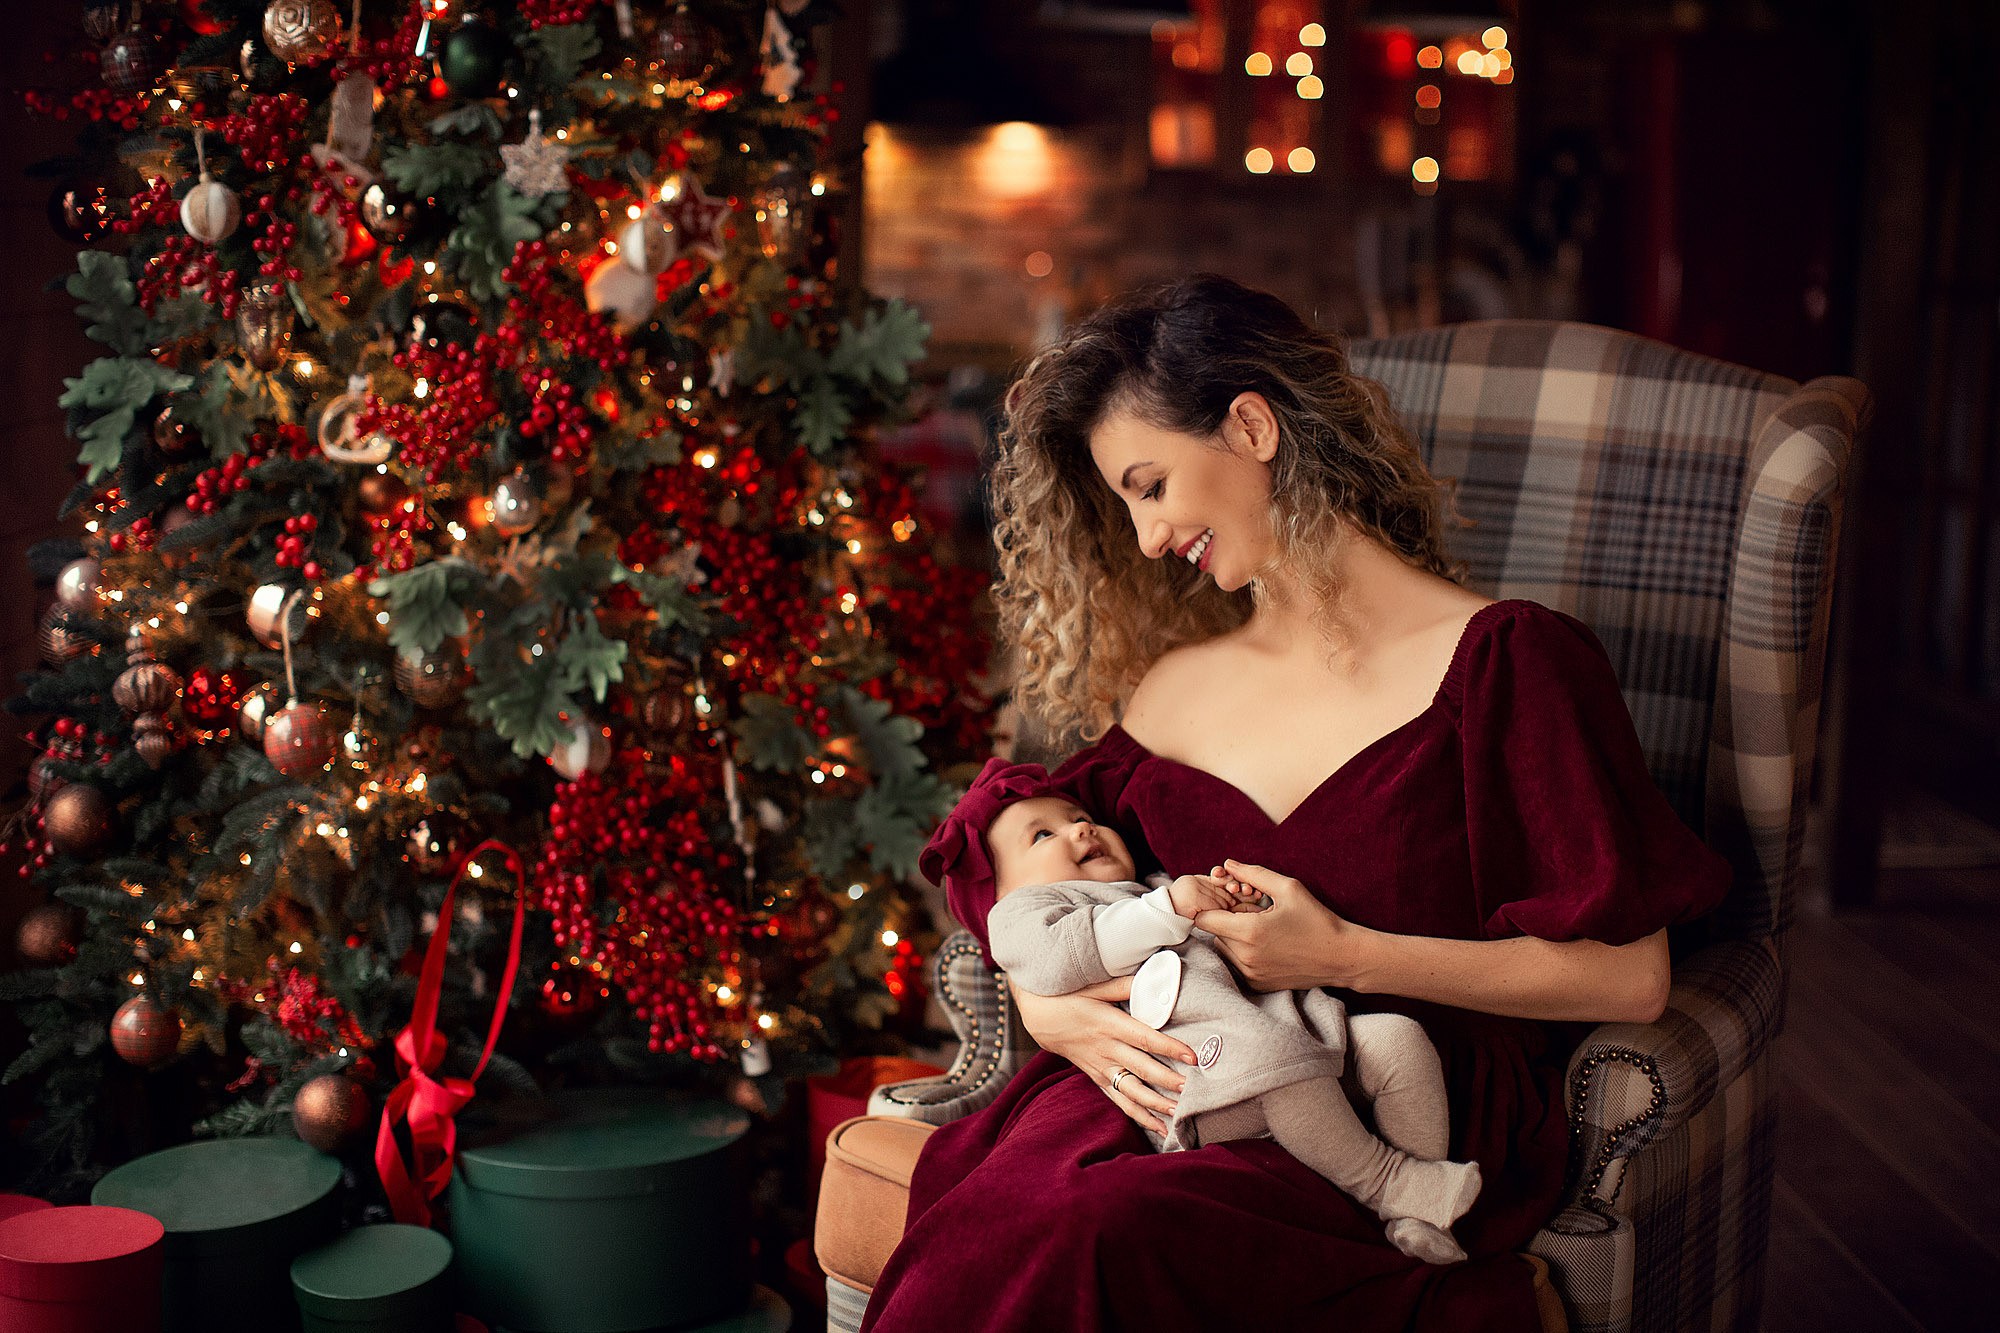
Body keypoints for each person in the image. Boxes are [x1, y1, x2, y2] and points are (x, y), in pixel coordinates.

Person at [861, 274, 1731, 1333]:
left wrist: (1343, 955)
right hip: (1150, 1092)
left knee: (1094, 1234)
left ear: (1249, 425)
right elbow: (999, 852)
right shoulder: (1172, 685)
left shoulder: (1506, 662)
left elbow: (1631, 976)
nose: (1142, 538)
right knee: (999, 1228)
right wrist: (1045, 1003)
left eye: (1148, 484)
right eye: (1122, 505)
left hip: (1370, 1104)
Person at [925, 757, 1484, 1264]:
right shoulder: (1027, 915)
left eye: (1077, 816)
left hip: (1282, 1027)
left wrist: (1235, 907)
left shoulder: (1151, 889)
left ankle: (1413, 1219)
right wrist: (1171, 908)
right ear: (1002, 894)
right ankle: (1384, 1182)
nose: (1080, 828)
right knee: (1276, 1063)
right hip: (1197, 1075)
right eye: (1042, 834)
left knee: (1397, 1042)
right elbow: (1063, 956)